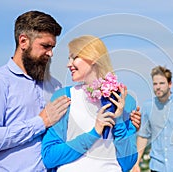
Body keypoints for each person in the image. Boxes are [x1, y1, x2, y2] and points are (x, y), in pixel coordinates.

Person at [0, 10, 72, 171]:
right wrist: (40, 122)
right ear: (23, 41)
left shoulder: (55, 86)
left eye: (52, 47)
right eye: (45, 46)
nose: (51, 53)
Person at [41, 35, 139, 172]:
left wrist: (118, 120)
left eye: (74, 57)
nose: (68, 64)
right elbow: (49, 157)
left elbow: (127, 163)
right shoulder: (64, 97)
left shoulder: (126, 101)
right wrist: (94, 132)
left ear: (92, 57)